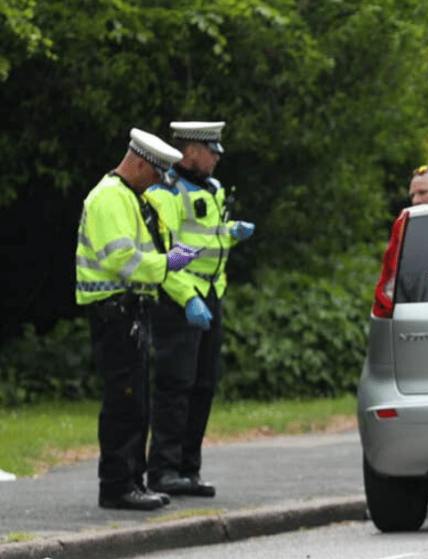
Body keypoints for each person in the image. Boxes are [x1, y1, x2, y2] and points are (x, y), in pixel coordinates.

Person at [75, 128, 199, 510]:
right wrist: (167, 263)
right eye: (157, 173)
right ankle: (116, 486)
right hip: (115, 312)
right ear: (140, 163)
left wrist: (169, 257)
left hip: (130, 312)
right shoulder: (111, 198)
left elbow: (141, 251)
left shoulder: (131, 197)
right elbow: (121, 260)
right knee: (124, 402)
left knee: (136, 403)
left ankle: (133, 481)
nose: (160, 183)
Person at [145, 121, 254, 498]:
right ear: (190, 151)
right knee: (175, 385)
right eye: (212, 150)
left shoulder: (213, 188)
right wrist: (187, 296)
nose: (217, 157)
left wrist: (232, 232)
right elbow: (161, 253)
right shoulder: (166, 191)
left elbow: (207, 238)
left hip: (210, 293)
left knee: (204, 385)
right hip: (180, 297)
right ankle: (162, 470)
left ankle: (188, 469)